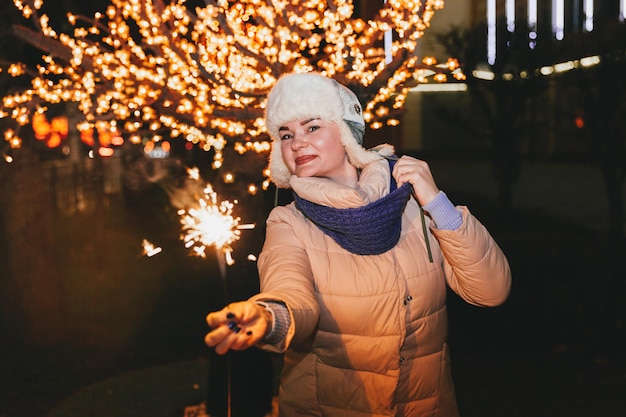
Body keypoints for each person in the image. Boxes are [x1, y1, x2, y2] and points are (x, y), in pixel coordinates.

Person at [204, 72, 512, 417]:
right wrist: (270, 318)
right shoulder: (287, 222)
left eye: (312, 127)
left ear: (347, 132)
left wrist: (436, 202)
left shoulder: (410, 200)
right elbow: (291, 294)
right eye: (286, 134)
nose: (296, 143)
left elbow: (490, 291)